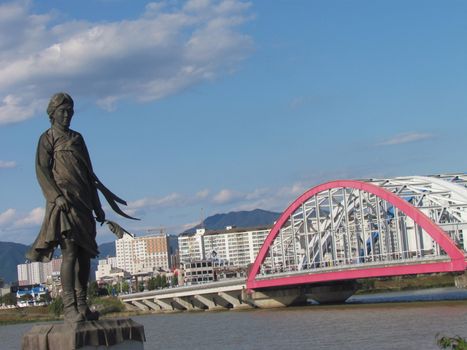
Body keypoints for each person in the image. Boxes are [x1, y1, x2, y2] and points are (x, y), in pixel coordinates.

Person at [26, 92, 136, 323]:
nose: (66, 115)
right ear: (52, 114)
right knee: (70, 252)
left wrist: (97, 206)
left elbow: (89, 174)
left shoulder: (78, 138)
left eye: (70, 111)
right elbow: (42, 171)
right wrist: (56, 196)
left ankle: (83, 304)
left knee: (86, 254)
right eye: (62, 111)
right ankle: (69, 307)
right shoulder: (47, 138)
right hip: (64, 204)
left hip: (84, 201)